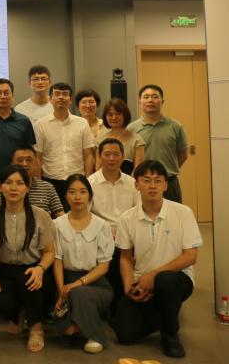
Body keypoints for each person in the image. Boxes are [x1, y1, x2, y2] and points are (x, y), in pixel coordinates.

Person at [112, 160, 202, 358]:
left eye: (158, 180)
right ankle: (165, 313)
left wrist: (153, 275)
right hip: (142, 281)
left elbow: (191, 256)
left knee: (165, 281)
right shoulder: (127, 218)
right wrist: (128, 287)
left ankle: (170, 335)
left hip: (176, 279)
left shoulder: (183, 213)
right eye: (146, 180)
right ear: (137, 185)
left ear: (165, 185)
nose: (152, 186)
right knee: (124, 334)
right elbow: (125, 258)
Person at [0, 165, 55, 353]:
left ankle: (36, 327)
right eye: (8, 182)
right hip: (4, 270)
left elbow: (49, 252)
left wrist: (40, 269)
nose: (14, 188)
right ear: (0, 187)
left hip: (34, 270)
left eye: (20, 183)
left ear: (28, 188)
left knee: (28, 280)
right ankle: (19, 315)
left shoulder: (40, 215)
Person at [52, 175, 114, 354]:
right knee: (68, 332)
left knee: (78, 292)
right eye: (72, 192)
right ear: (66, 196)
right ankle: (79, 326)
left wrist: (77, 284)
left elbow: (104, 266)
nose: (77, 196)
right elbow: (57, 261)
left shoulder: (102, 225)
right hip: (66, 281)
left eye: (82, 192)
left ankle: (95, 337)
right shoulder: (56, 225)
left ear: (90, 195)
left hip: (96, 283)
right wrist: (61, 292)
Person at [87, 138, 140, 303]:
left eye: (116, 154)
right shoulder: (90, 183)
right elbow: (86, 215)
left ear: (123, 157)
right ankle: (114, 301)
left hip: (128, 233)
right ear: (99, 156)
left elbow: (139, 212)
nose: (111, 158)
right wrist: (106, 232)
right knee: (115, 252)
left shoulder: (132, 183)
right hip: (100, 234)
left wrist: (123, 233)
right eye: (107, 154)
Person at [33, 82, 95, 207]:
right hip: (50, 181)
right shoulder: (40, 124)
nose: (61, 97)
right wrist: (39, 185)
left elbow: (88, 155)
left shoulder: (82, 123)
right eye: (57, 94)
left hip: (77, 180)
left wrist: (88, 181)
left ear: (70, 100)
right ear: (50, 99)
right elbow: (38, 157)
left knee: (77, 214)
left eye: (65, 94)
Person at [0, 78, 35, 206]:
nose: (3, 96)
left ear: (12, 96)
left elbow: (31, 154)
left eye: (6, 93)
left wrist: (32, 178)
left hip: (19, 180)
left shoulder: (24, 121)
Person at [128, 85, 189, 203]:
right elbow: (129, 158)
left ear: (162, 101)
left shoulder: (175, 126)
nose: (150, 100)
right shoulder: (131, 129)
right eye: (146, 97)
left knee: (173, 213)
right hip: (142, 183)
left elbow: (183, 154)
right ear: (140, 102)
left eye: (155, 97)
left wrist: (167, 169)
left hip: (168, 182)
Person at [0, 147, 64, 218]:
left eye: (29, 160)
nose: (24, 164)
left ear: (36, 163)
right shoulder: (1, 186)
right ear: (12, 163)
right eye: (20, 160)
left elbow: (61, 216)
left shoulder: (47, 187)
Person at [98, 98, 145, 175]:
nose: (114, 117)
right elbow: (98, 168)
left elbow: (138, 168)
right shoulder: (100, 140)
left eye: (118, 114)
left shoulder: (137, 140)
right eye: (110, 115)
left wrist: (127, 181)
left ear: (125, 115)